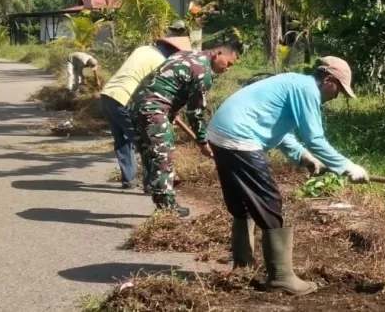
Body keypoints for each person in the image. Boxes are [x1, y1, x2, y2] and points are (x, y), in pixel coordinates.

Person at [204, 56, 370, 296]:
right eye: (339, 90)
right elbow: (315, 138)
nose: (337, 96)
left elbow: (277, 129)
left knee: (244, 203)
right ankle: (281, 277)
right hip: (240, 138)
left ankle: (242, 266)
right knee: (269, 203)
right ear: (328, 79)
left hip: (220, 134)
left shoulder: (293, 83)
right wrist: (347, 166)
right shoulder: (307, 89)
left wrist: (304, 156)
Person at [128, 42, 242, 217]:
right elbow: (195, 112)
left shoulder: (184, 54)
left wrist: (171, 111)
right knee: (163, 154)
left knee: (149, 151)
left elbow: (167, 82)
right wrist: (203, 140)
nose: (228, 69)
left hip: (137, 105)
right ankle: (167, 206)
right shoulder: (203, 72)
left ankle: (154, 188)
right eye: (229, 63)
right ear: (218, 53)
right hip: (154, 109)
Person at [99, 37, 192, 190]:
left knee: (123, 140)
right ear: (174, 51)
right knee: (146, 142)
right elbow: (158, 92)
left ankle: (128, 179)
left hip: (108, 95)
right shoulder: (162, 62)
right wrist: (171, 111)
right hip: (126, 99)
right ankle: (153, 184)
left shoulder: (143, 49)